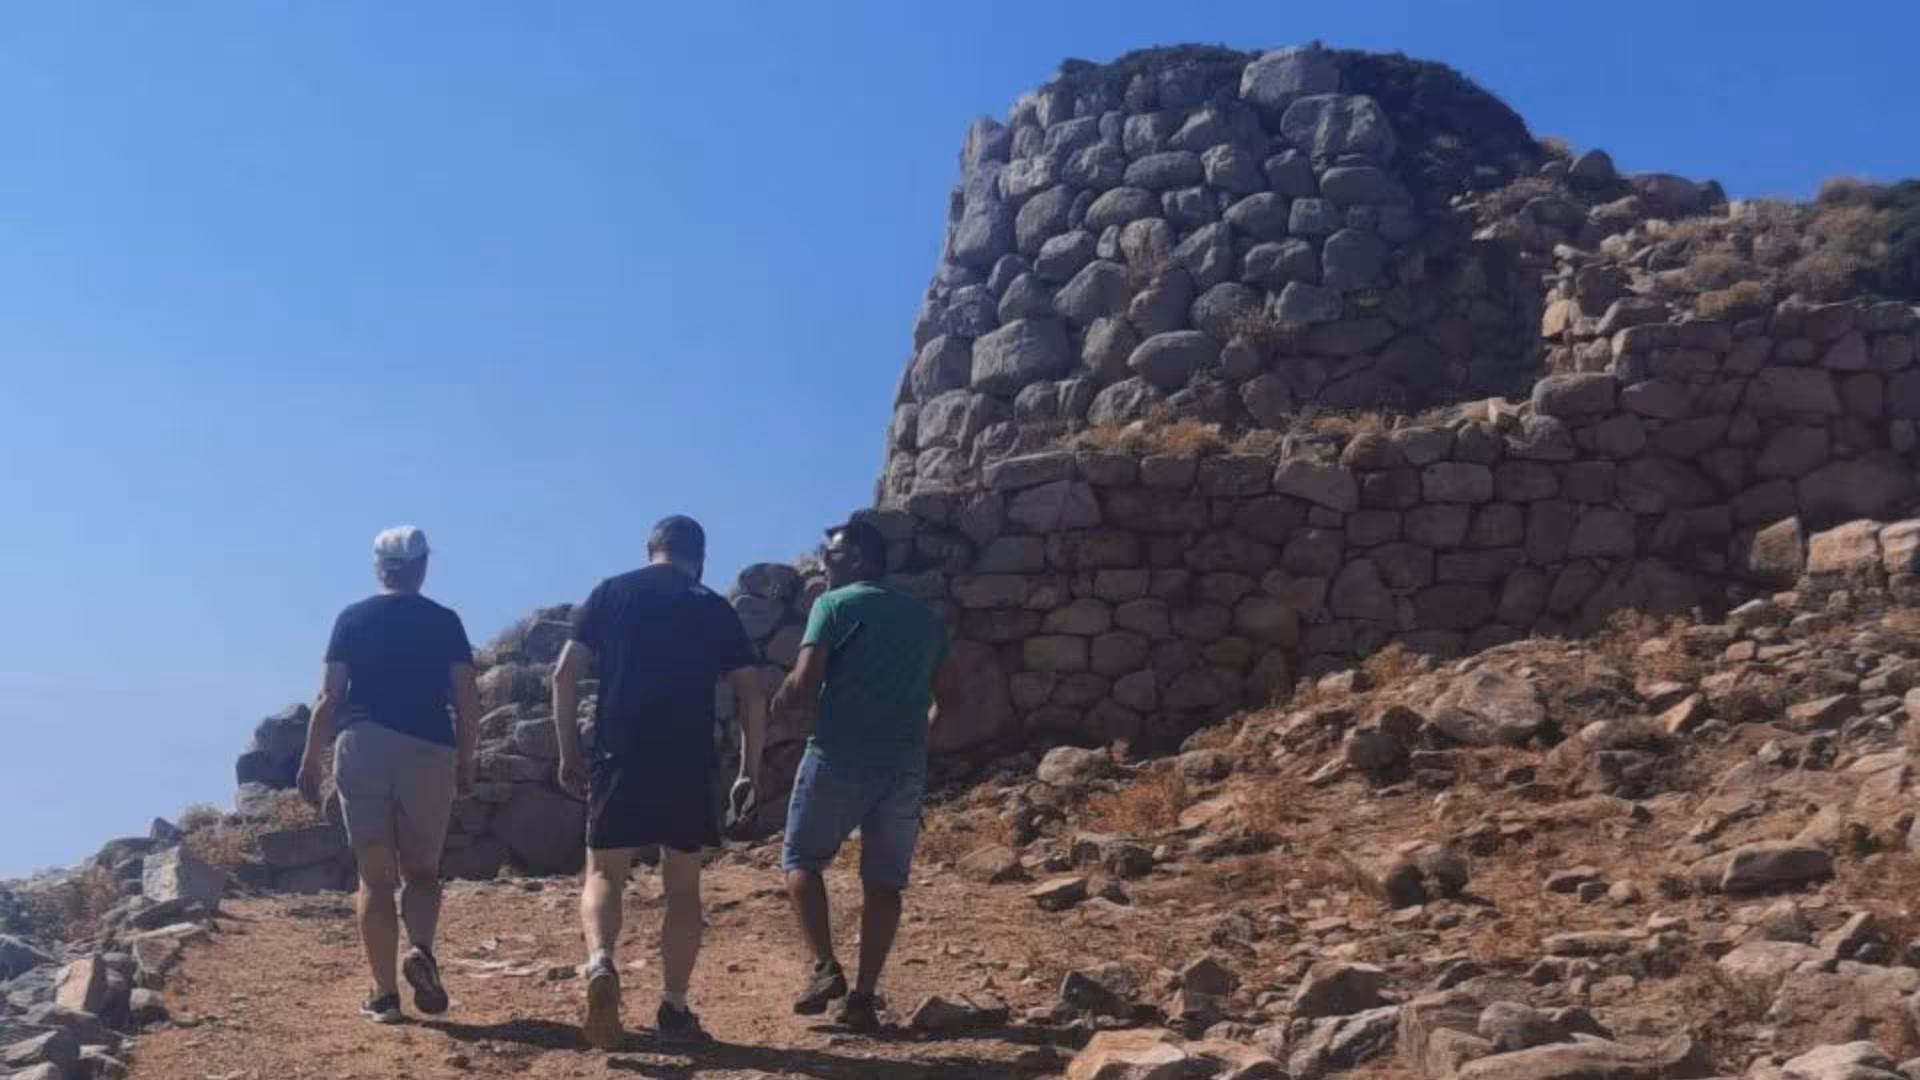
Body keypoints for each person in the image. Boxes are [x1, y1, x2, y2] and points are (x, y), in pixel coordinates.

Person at [551, 515, 767, 1049]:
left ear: (651, 549)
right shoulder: (713, 606)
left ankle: (601, 960)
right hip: (688, 760)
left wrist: (568, 750)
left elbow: (563, 675)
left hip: (619, 752)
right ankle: (674, 1006)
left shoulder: (611, 593)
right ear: (700, 558)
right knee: (683, 888)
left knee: (604, 872)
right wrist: (749, 769)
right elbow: (751, 695)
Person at [771, 518, 958, 1033]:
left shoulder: (833, 606)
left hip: (837, 753)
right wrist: (920, 743)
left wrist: (783, 698)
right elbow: (952, 698)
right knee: (883, 884)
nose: (823, 564)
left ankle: (824, 967)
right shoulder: (926, 620)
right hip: (902, 764)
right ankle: (864, 996)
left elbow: (807, 682)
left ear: (856, 558)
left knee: (801, 860)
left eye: (831, 556)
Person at [296, 525, 479, 1025]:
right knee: (422, 872)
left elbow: (329, 697)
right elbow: (466, 697)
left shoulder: (352, 619)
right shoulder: (445, 622)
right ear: (422, 567)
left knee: (374, 880)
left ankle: (384, 995)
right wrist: (467, 759)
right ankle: (419, 948)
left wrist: (311, 759)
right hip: (429, 750)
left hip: (364, 747)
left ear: (380, 568)